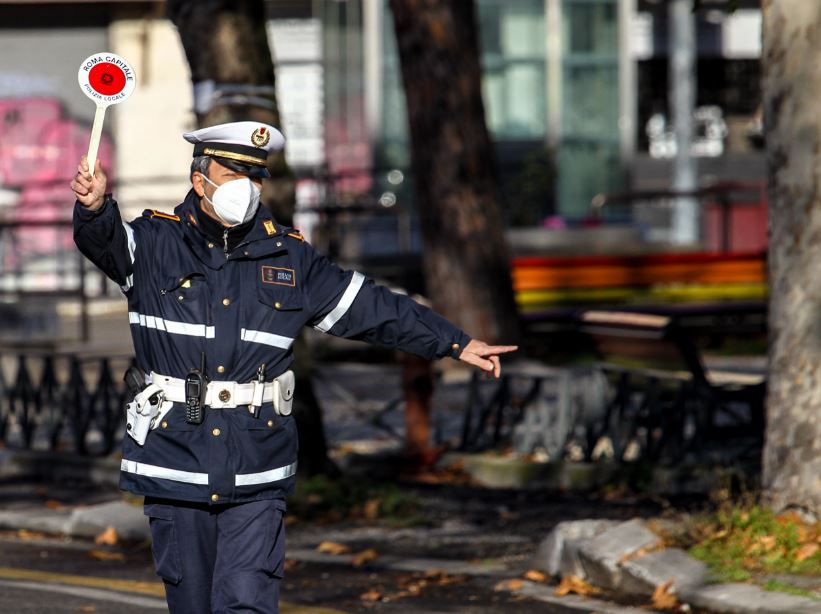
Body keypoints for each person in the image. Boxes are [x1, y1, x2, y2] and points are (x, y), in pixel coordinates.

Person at [70, 121, 517, 613]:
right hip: (177, 458)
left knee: (247, 602)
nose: (247, 185)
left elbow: (370, 307)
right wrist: (93, 207)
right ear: (200, 179)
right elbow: (104, 240)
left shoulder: (289, 255)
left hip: (257, 460)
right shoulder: (153, 243)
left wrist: (452, 342)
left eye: (255, 175)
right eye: (234, 171)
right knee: (193, 605)